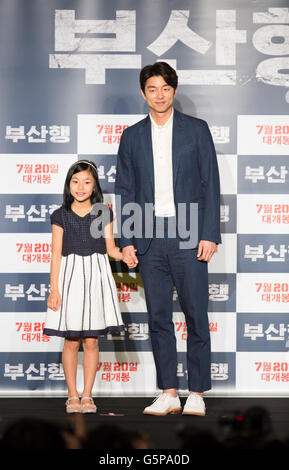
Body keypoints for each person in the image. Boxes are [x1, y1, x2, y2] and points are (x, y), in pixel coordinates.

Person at [115, 62, 221, 416]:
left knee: (195, 315)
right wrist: (127, 238)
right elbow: (126, 190)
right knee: (158, 316)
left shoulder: (196, 130)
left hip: (189, 232)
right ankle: (168, 392)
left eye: (165, 88)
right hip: (148, 236)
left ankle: (197, 392)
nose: (159, 95)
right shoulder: (131, 136)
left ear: (173, 91)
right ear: (143, 93)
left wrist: (209, 234)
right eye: (152, 89)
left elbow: (210, 184)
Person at [43, 160, 130, 414]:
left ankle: (88, 396)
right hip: (69, 277)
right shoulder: (60, 215)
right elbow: (56, 254)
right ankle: (72, 395)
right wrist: (54, 289)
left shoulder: (103, 212)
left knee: (91, 340)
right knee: (71, 340)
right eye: (76, 181)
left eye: (87, 182)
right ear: (69, 184)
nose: (80, 187)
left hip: (96, 276)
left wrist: (123, 254)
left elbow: (110, 247)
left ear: (95, 186)